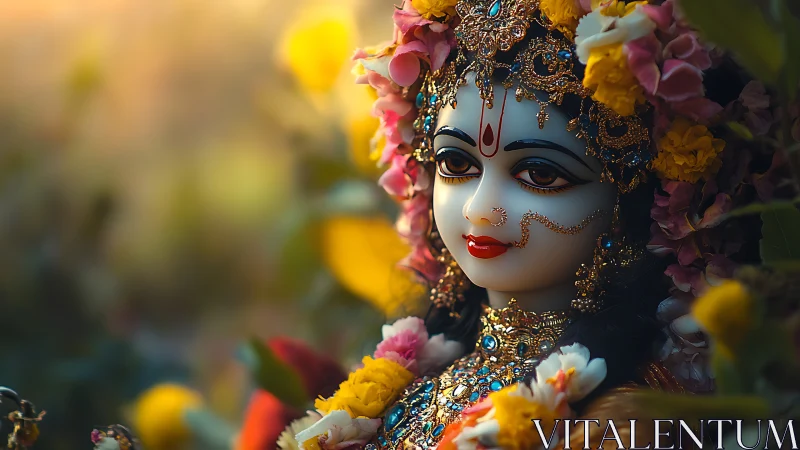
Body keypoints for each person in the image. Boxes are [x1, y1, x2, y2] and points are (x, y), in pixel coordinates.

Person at [285, 0, 783, 447]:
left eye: (540, 174)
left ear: (633, 201)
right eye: (456, 166)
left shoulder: (630, 419)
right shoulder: (408, 376)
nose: (481, 210)